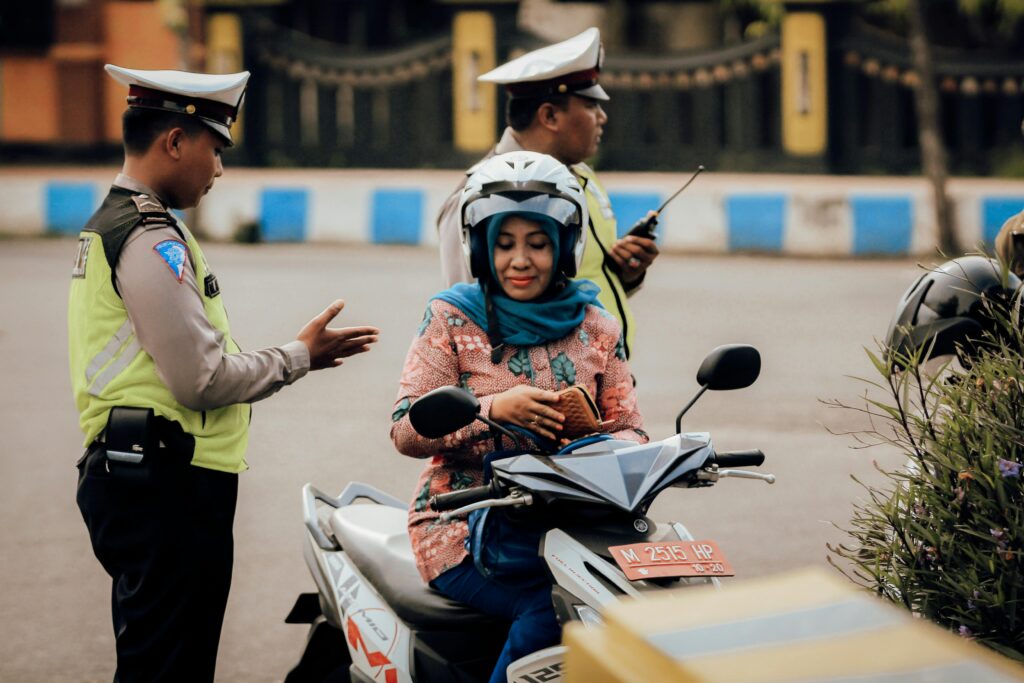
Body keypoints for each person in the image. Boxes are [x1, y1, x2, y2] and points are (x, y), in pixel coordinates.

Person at [69, 65, 379, 683]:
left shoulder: (121, 224)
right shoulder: (148, 237)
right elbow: (201, 380)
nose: (217, 169)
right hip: (167, 485)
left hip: (147, 474)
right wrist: (299, 356)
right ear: (176, 141)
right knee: (169, 668)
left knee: (158, 659)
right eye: (214, 149)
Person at [392, 151, 647, 683]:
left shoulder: (597, 326)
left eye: (537, 243)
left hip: (577, 523)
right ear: (481, 248)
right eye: (504, 244)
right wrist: (490, 411)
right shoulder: (451, 316)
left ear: (564, 246)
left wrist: (592, 432)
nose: (520, 260)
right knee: (553, 604)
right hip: (463, 526)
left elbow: (633, 430)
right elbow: (406, 427)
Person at [437, 27, 660, 359]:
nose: (602, 117)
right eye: (591, 105)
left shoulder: (581, 178)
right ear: (550, 115)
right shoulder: (479, 197)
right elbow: (471, 319)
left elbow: (577, 282)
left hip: (602, 380)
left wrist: (624, 276)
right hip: (540, 397)